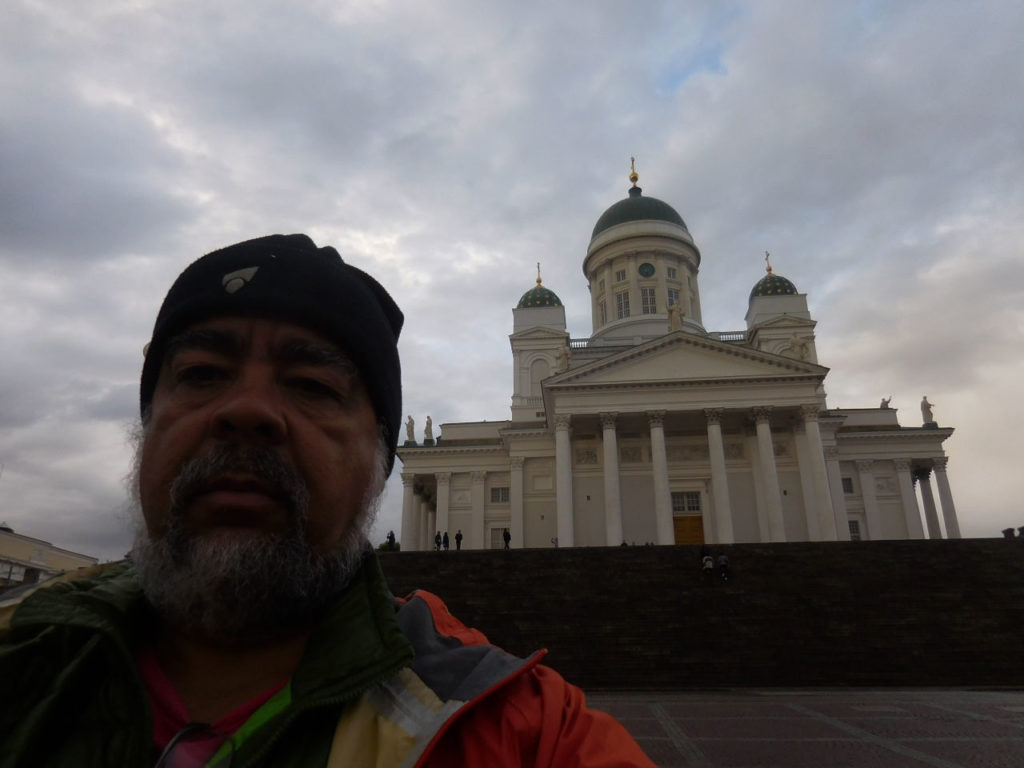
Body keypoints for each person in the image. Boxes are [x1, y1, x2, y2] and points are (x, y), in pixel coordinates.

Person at [0, 234, 655, 767]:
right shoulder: (22, 661)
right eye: (201, 374)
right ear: (144, 431)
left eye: (311, 385)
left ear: (378, 463)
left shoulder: (516, 731)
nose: (248, 410)